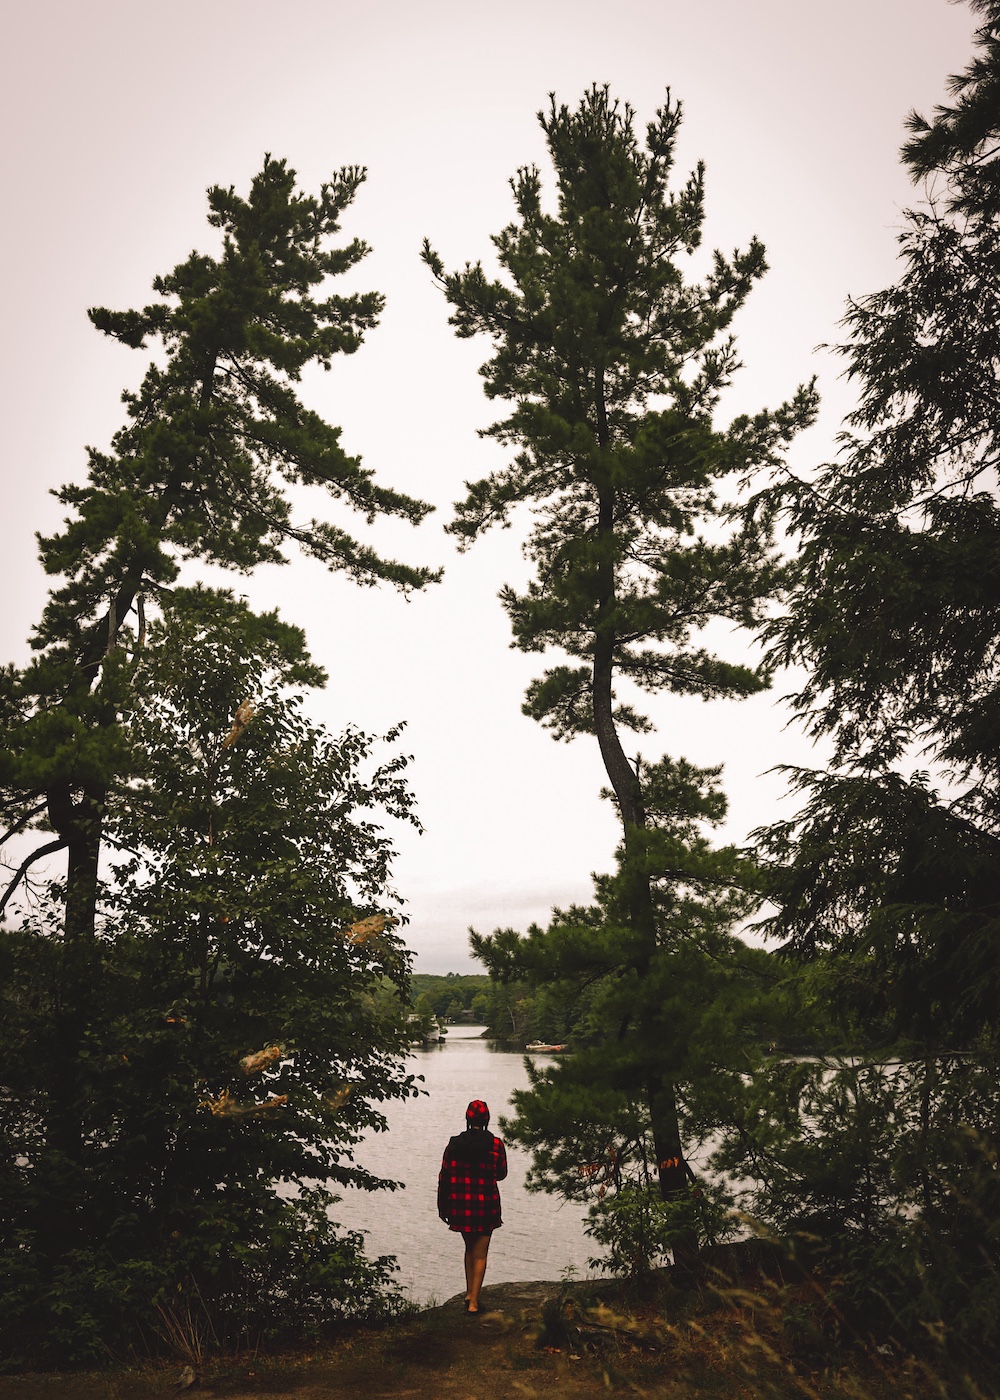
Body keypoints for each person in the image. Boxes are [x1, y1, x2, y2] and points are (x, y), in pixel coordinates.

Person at [437, 1099, 508, 1314]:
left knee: (469, 1248)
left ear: (468, 1119)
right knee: (481, 1253)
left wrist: (443, 1206)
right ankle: (474, 1303)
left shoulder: (454, 1145)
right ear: (486, 1120)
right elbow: (502, 1174)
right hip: (486, 1205)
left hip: (460, 1205)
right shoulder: (496, 1145)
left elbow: (444, 1177)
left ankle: (469, 1293)